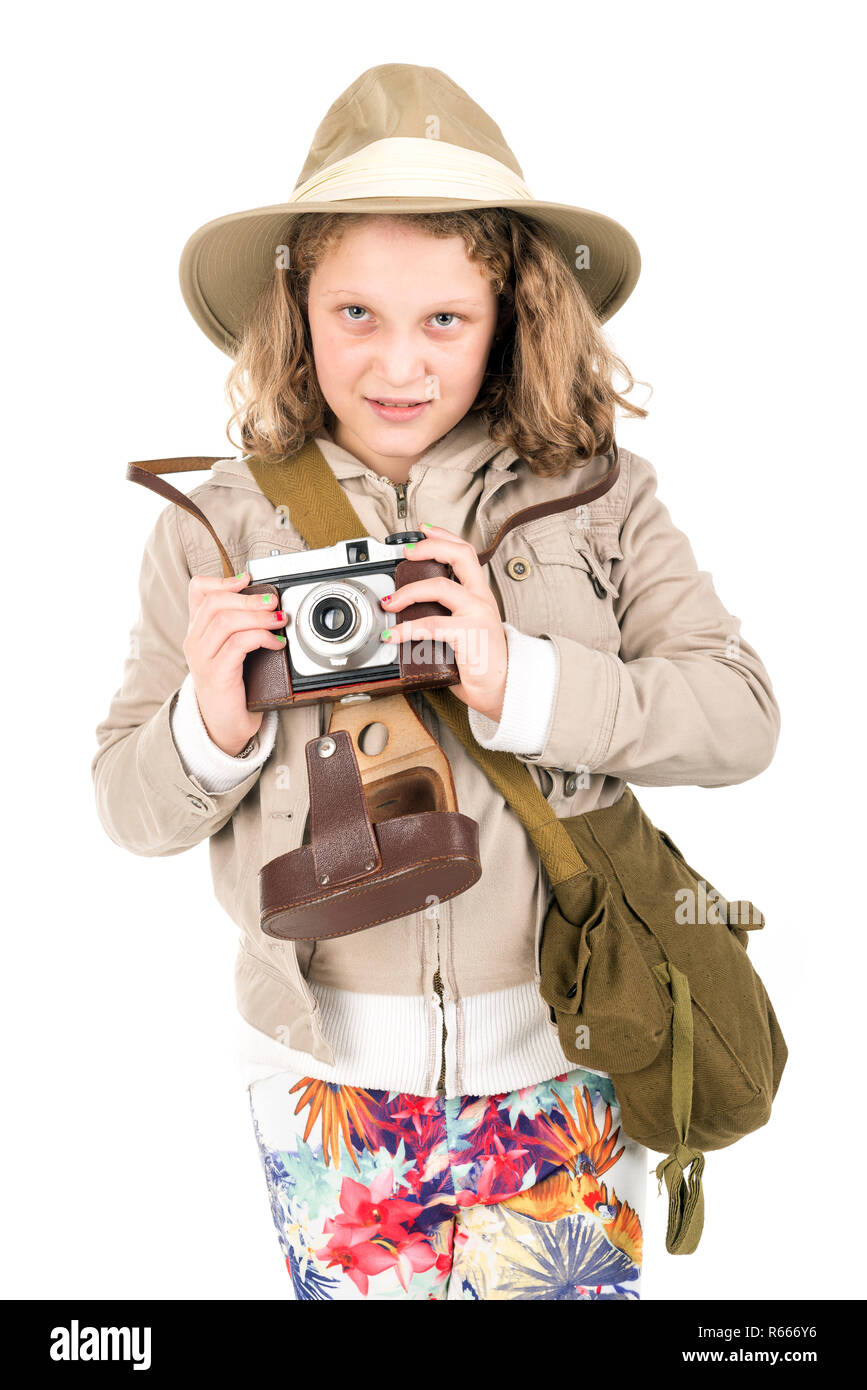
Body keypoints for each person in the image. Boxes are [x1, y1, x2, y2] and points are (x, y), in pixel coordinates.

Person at [91, 64, 780, 1301]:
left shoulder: (599, 495)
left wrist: (521, 673)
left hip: (568, 1058)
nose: (396, 364)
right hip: (329, 1088)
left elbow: (739, 718)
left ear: (512, 312)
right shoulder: (217, 519)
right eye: (356, 313)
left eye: (444, 321)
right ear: (293, 307)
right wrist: (213, 720)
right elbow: (128, 810)